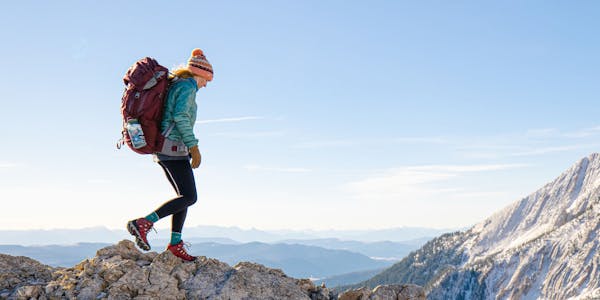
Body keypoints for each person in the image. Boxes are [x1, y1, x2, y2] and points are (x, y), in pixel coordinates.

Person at [127, 48, 213, 261]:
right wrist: (194, 146)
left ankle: (175, 243)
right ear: (199, 74)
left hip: (165, 146)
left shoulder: (177, 84)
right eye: (207, 79)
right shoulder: (187, 87)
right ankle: (144, 223)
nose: (207, 84)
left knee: (183, 197)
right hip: (173, 146)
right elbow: (180, 117)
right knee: (190, 196)